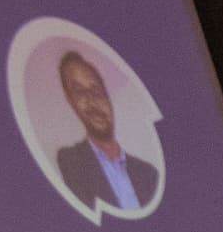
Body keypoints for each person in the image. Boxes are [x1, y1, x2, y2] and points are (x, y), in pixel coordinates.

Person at [51, 53, 158, 216]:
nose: (91, 100)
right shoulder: (71, 161)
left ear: (108, 97)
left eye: (96, 90)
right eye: (79, 92)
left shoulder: (148, 173)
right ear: (71, 101)